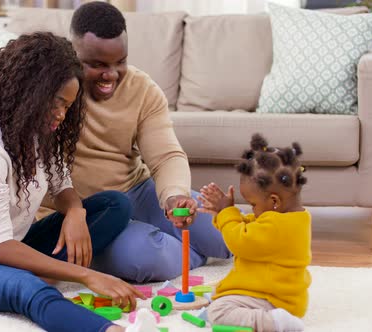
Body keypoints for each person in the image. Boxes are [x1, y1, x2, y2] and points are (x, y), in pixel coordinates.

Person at [0, 32, 148, 332]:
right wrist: (87, 276)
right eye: (56, 103)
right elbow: (0, 249)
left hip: (14, 243)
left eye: (68, 106)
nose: (61, 115)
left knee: (114, 204)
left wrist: (75, 212)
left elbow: (62, 185)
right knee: (29, 291)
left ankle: (36, 271)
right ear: (29, 93)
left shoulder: (39, 134)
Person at [40, 1, 231, 282]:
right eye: (97, 65)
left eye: (120, 62)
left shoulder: (142, 89)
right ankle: (183, 254)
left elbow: (166, 156)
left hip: (137, 191)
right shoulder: (51, 92)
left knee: (223, 233)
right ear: (73, 52)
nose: (111, 75)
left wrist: (174, 195)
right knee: (146, 257)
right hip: (85, 211)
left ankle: (175, 246)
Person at [198, 134, 311, 332]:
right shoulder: (290, 219)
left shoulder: (276, 226)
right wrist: (222, 214)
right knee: (219, 291)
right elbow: (251, 228)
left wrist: (226, 213)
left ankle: (275, 323)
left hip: (271, 298)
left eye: (253, 204)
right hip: (278, 292)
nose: (251, 210)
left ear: (274, 201)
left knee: (218, 312)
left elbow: (240, 241)